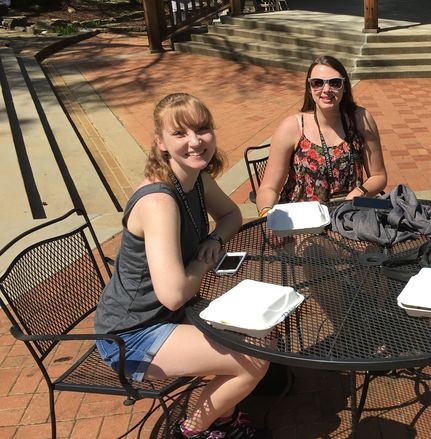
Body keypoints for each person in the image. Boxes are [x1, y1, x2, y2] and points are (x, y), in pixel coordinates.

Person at [95, 93, 268, 439]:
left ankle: (221, 416)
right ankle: (192, 430)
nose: (195, 141)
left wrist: (213, 241)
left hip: (171, 316)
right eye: (180, 133)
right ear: (160, 143)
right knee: (255, 358)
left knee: (265, 328)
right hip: (131, 335)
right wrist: (204, 264)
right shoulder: (159, 202)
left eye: (202, 129)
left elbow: (232, 214)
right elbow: (174, 294)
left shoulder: (196, 179)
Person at [255, 55, 387, 217]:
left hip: (349, 215)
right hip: (303, 222)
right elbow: (269, 187)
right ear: (309, 88)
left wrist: (359, 192)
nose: (326, 90)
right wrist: (266, 212)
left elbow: (378, 176)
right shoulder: (292, 126)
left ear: (344, 86)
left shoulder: (361, 119)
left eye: (334, 83)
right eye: (317, 83)